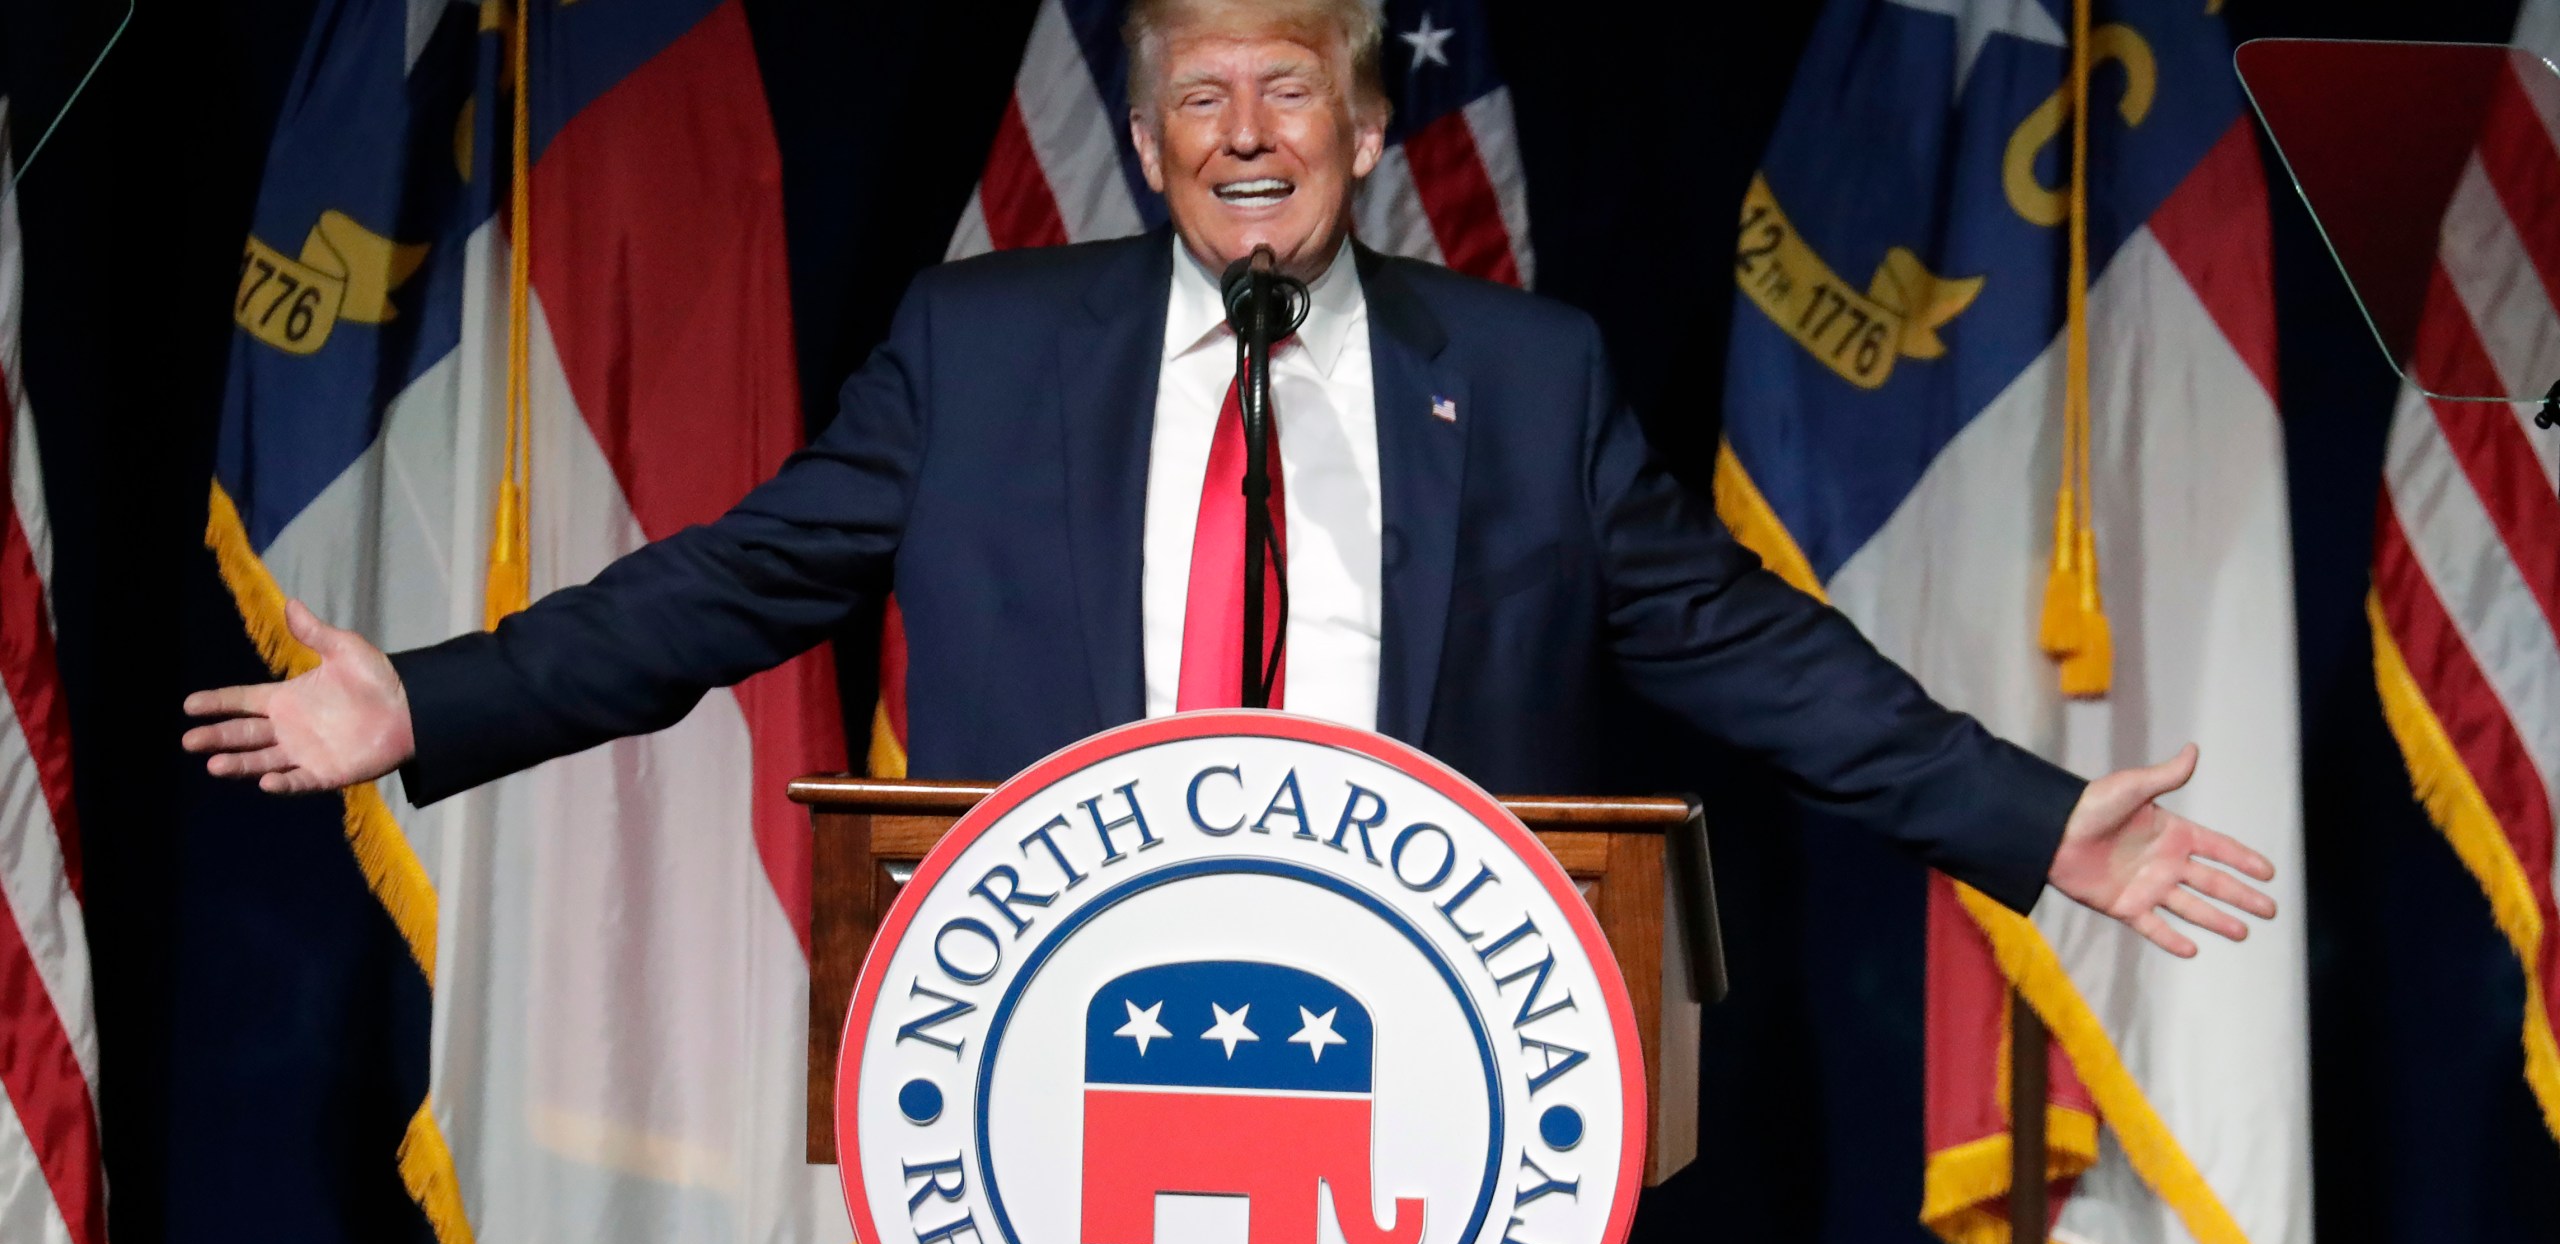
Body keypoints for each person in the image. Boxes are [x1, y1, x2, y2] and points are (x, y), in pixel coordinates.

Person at [182, 0, 2274, 958]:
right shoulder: (982, 347)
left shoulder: (1522, 378)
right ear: (1154, 128)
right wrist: (422, 700)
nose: (1240, 129)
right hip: (1034, 1025)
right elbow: (726, 586)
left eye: (1287, 86)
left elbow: (1736, 645)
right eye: (1197, 94)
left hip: (1428, 1042)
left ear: (1366, 134)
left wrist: (2023, 819)